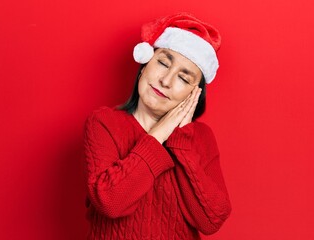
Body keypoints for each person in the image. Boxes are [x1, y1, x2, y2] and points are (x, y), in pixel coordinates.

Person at [83, 13, 231, 240]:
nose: (166, 81)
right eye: (163, 63)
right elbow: (111, 202)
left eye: (183, 78)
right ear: (145, 64)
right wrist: (160, 133)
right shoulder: (104, 123)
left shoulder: (201, 138)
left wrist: (180, 141)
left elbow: (210, 220)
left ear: (194, 94)